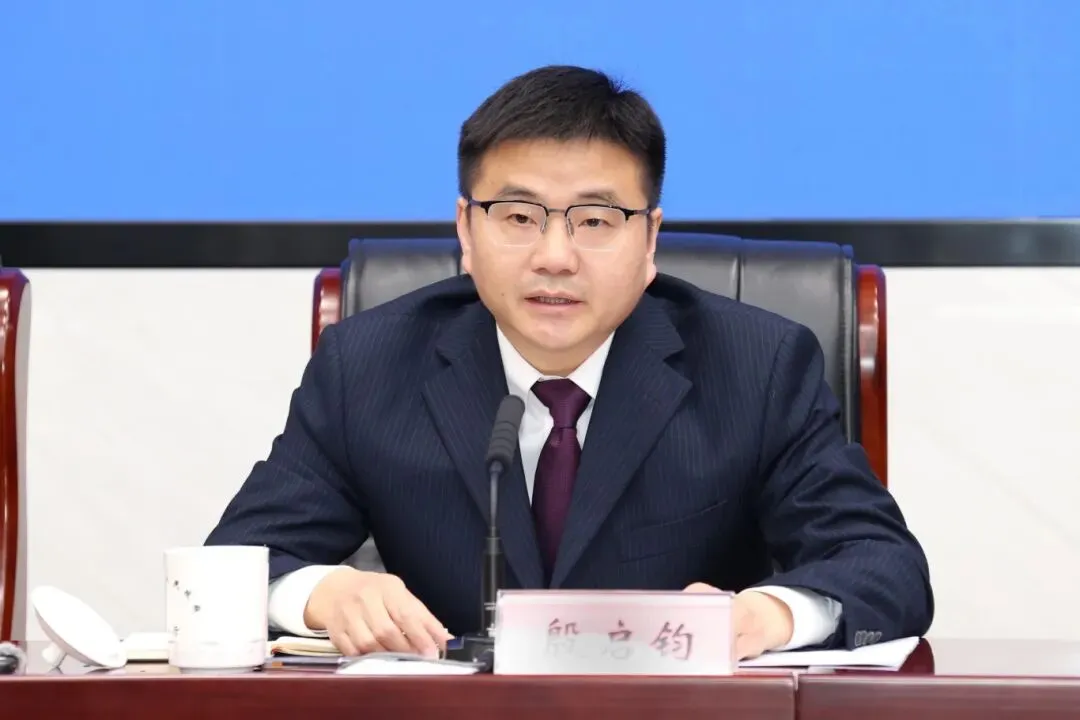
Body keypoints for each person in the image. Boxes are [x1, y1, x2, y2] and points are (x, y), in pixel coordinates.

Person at [205, 65, 933, 660]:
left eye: (595, 220)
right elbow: (231, 565)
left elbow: (884, 566)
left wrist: (765, 615)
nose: (555, 257)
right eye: (518, 217)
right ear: (466, 231)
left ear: (649, 240)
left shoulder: (757, 367)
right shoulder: (367, 366)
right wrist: (323, 593)